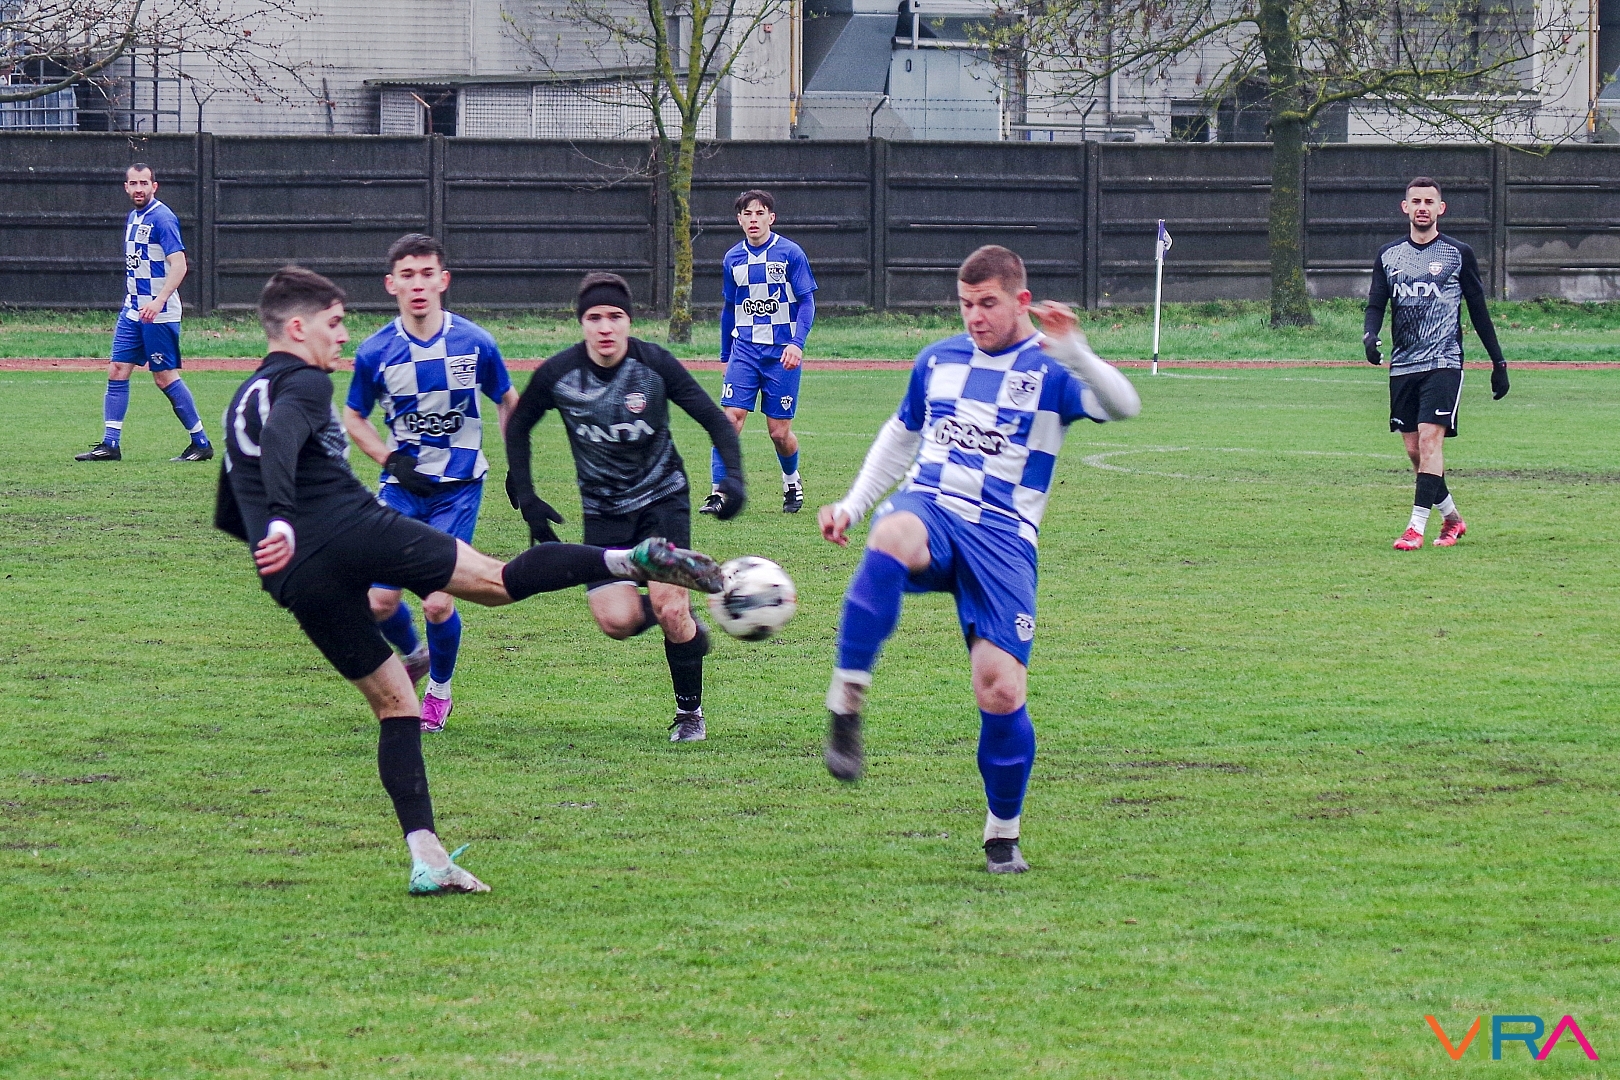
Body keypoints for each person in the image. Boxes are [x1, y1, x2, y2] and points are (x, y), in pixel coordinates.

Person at [215, 265, 724, 895]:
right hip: (350, 527)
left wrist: (273, 535)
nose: (342, 336)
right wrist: (286, 516)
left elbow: (229, 506)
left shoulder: (241, 398)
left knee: (395, 703)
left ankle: (428, 858)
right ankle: (631, 560)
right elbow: (286, 433)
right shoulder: (305, 381)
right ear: (298, 328)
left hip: (294, 577)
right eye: (335, 323)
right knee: (496, 581)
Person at [816, 246, 1140, 875]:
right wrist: (854, 504)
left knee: (1000, 689)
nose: (974, 317)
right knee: (893, 535)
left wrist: (1075, 350)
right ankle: (846, 699)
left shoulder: (1049, 371)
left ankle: (1002, 834)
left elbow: (1124, 405)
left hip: (1004, 537)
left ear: (1021, 301)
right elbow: (901, 434)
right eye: (965, 304)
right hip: (932, 507)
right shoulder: (937, 360)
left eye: (987, 303)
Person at [505, 272, 746, 743]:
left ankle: (689, 713)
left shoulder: (653, 365)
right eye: (595, 317)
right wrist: (528, 497)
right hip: (604, 513)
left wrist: (732, 477)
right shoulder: (559, 374)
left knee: (669, 607)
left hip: (662, 501)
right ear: (582, 323)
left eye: (615, 316)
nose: (605, 327)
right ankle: (685, 622)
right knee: (615, 622)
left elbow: (714, 420)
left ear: (629, 322)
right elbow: (519, 426)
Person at [344, 234, 519, 733]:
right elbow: (354, 416)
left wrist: (520, 470)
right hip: (401, 491)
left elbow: (509, 400)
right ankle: (416, 653)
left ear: (443, 280)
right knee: (379, 603)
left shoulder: (475, 343)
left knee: (438, 601)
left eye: (426, 274)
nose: (417, 285)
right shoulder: (376, 351)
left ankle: (438, 692)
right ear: (391, 284)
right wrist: (389, 459)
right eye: (408, 275)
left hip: (458, 489)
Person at [1364, 176, 1510, 551]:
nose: (1422, 207)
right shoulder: (1388, 255)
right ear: (1405, 207)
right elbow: (1376, 303)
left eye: (1429, 201)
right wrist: (1369, 335)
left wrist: (1498, 362)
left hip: (1444, 361)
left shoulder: (1457, 253)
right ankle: (1453, 519)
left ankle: (1414, 528)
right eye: (1416, 201)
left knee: (1430, 440)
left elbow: (1478, 310)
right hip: (1403, 365)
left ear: (1440, 208)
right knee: (1415, 452)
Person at [77, 163, 213, 463]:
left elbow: (180, 265)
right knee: (117, 369)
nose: (139, 188)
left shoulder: (163, 218)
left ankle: (201, 443)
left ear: (154, 186)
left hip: (158, 313)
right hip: (133, 310)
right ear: (126, 187)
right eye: (134, 183)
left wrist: (159, 301)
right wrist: (137, 303)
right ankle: (110, 444)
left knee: (164, 377)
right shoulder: (133, 217)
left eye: (144, 183)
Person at [702, 189, 816, 516]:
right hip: (745, 350)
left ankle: (791, 481)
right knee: (729, 420)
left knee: (779, 432)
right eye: (747, 214)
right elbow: (730, 307)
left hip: (782, 355)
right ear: (739, 220)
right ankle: (719, 493)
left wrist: (796, 343)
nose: (754, 219)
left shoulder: (790, 253)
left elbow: (807, 302)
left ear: (771, 218)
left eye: (760, 213)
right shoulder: (732, 259)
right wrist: (726, 356)